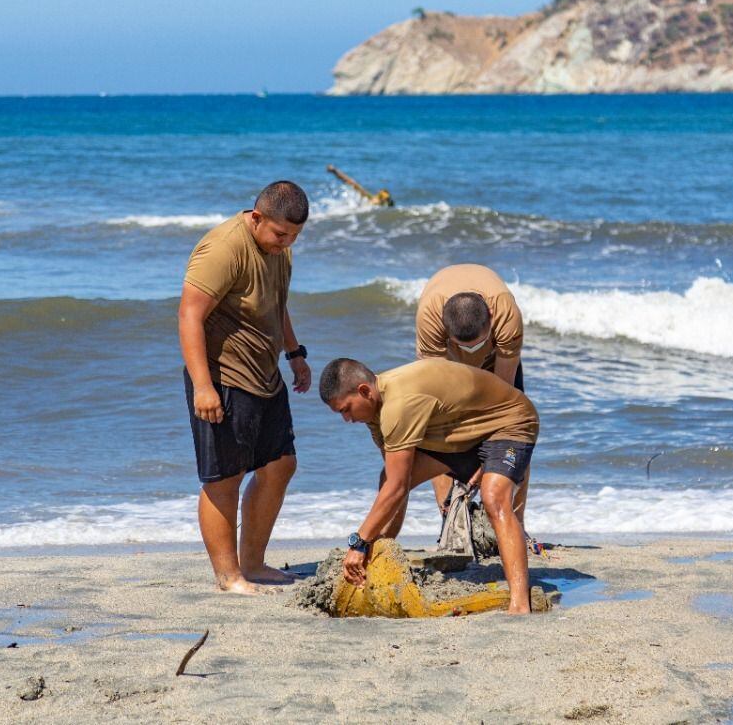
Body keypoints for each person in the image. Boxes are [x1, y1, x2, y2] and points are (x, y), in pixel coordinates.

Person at [319, 357, 538, 614]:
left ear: (364, 391)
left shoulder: (398, 405)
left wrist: (358, 543)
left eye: (346, 409)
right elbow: (395, 482)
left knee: (494, 498)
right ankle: (378, 558)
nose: (346, 419)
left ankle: (520, 604)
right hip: (461, 435)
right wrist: (370, 544)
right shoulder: (375, 412)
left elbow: (397, 488)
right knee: (387, 479)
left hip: (510, 422)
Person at [177, 180, 311, 594]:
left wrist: (294, 352)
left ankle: (252, 563)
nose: (285, 242)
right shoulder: (224, 249)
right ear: (256, 218)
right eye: (279, 234)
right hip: (223, 377)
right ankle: (227, 574)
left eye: (293, 236)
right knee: (224, 478)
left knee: (280, 465)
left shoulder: (278, 248)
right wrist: (203, 385)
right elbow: (189, 315)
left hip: (265, 374)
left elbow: (276, 300)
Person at [414, 264, 530, 522]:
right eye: (466, 346)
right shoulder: (430, 318)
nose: (472, 350)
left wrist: (490, 457)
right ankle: (452, 521)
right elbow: (440, 397)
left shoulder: (505, 314)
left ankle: (515, 520)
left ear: (490, 316)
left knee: (517, 432)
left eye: (478, 342)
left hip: (495, 360)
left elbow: (503, 402)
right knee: (437, 435)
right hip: (446, 362)